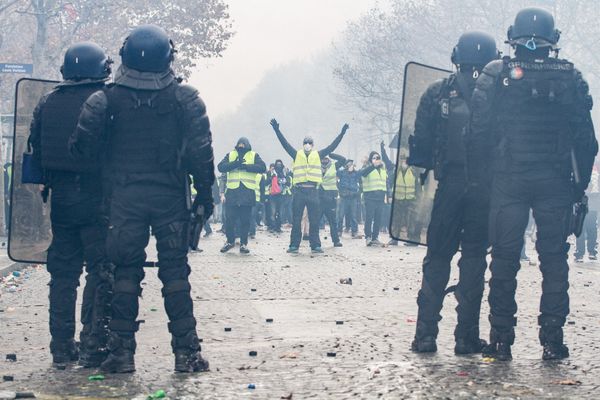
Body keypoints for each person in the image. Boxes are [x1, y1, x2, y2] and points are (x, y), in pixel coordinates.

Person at [70, 25, 215, 373]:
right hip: (169, 200)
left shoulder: (103, 100)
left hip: (123, 199)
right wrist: (205, 195)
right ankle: (186, 352)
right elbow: (201, 154)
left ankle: (121, 353)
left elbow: (81, 152)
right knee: (176, 274)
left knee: (124, 275)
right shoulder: (186, 99)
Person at [468, 8, 598, 361]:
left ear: (513, 37)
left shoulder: (497, 75)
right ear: (552, 42)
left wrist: (483, 180)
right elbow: (587, 141)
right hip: (555, 182)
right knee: (555, 260)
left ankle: (500, 339)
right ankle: (553, 340)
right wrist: (578, 187)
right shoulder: (570, 77)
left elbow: (478, 134)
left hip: (508, 180)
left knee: (505, 261)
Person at [407, 31, 499, 354]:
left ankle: (425, 334)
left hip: (449, 189)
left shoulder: (436, 93)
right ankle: (466, 337)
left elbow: (418, 149)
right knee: (473, 260)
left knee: (437, 258)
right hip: (483, 190)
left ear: (455, 57)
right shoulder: (499, 96)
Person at [28, 42, 114, 369]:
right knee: (101, 271)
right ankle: (93, 344)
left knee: (63, 276)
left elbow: (34, 151)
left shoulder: (47, 102)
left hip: (61, 201)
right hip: (98, 200)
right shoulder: (106, 102)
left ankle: (61, 348)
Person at [270, 118, 349, 253]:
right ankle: (294, 245)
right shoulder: (296, 154)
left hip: (313, 192)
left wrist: (342, 134)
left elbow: (332, 147)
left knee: (314, 220)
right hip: (299, 191)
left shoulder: (318, 155)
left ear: (312, 145)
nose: (307, 144)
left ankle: (315, 244)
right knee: (296, 220)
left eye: (309, 143)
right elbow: (285, 144)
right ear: (303, 144)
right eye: (305, 143)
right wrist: (277, 130)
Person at [217, 137, 266, 254]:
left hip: (247, 192)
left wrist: (246, 167)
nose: (241, 146)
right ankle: (230, 241)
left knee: (245, 220)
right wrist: (235, 164)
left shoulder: (254, 155)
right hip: (232, 192)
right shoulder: (230, 154)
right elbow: (220, 167)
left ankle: (243, 244)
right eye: (239, 144)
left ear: (248, 145)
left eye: (243, 144)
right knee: (229, 220)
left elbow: (262, 168)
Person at [360, 151, 388, 246]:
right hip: (370, 198)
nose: (376, 160)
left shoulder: (383, 169)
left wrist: (387, 195)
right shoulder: (367, 168)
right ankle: (368, 237)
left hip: (380, 198)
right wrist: (373, 165)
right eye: (374, 158)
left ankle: (375, 237)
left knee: (378, 219)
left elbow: (385, 183)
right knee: (369, 218)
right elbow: (362, 174)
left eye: (378, 158)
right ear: (371, 159)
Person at [331, 154, 360, 237]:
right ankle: (339, 231)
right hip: (343, 197)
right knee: (340, 215)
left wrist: (356, 193)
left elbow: (359, 183)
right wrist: (340, 190)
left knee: (353, 216)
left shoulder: (356, 173)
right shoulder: (341, 172)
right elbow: (336, 178)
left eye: (352, 164)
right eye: (349, 164)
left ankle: (354, 231)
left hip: (353, 197)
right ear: (346, 165)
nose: (351, 165)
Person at [575, 164, 599, 262]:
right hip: (587, 204)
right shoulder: (594, 173)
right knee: (588, 228)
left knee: (584, 228)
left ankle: (583, 252)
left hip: (588, 204)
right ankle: (588, 252)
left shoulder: (592, 173)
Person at [319, 157, 342, 247]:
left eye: (326, 158)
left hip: (330, 199)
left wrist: (332, 154)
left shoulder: (334, 166)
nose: (324, 160)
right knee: (315, 222)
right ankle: (315, 242)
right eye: (323, 158)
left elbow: (342, 159)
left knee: (333, 222)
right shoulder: (316, 167)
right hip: (319, 198)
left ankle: (336, 241)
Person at [267, 159, 290, 233]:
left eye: (280, 164)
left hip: (281, 195)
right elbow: (267, 181)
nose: (279, 166)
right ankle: (272, 226)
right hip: (273, 194)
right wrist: (273, 178)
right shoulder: (271, 172)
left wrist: (279, 180)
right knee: (273, 212)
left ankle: (278, 227)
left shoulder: (284, 172)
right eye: (277, 164)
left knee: (280, 212)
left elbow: (288, 182)